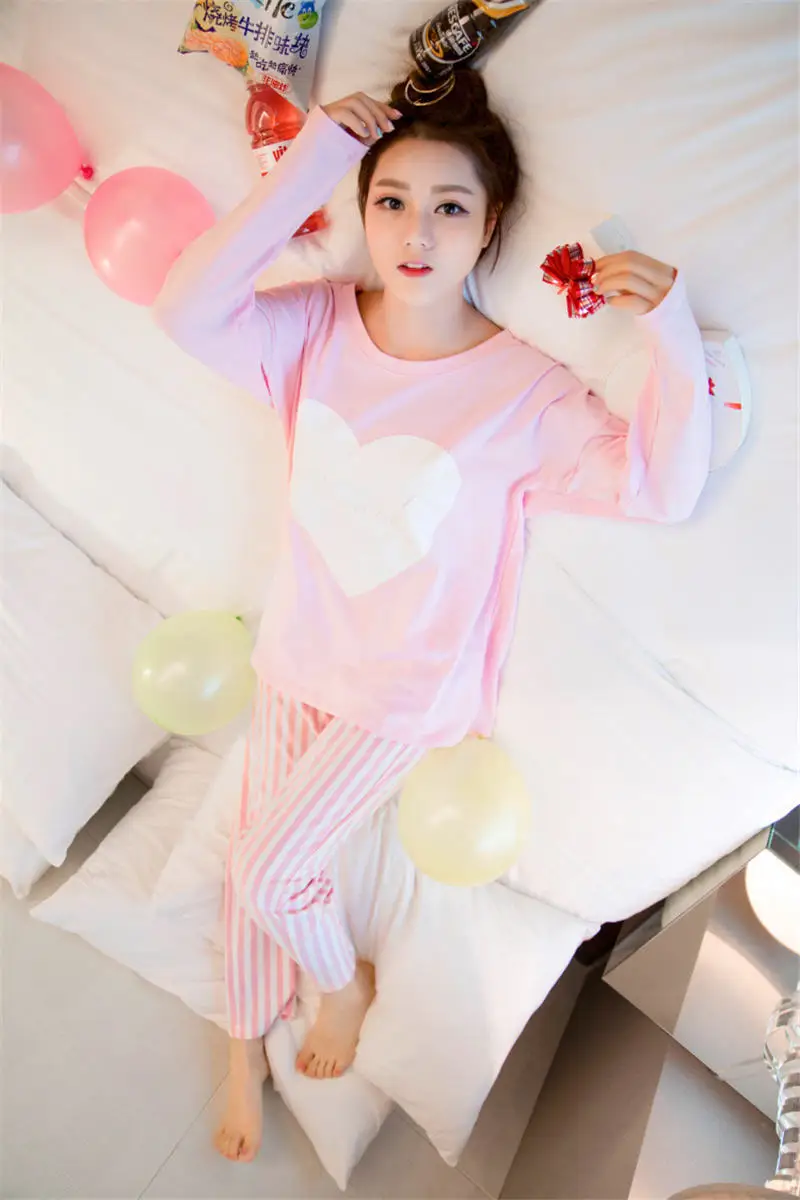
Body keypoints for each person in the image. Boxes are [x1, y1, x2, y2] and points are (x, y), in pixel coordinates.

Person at [154, 71, 711, 1163]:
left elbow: (659, 489)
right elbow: (185, 309)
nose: (416, 233)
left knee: (271, 868)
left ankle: (341, 983)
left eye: (450, 206)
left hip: (402, 694)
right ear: (361, 211)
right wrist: (315, 157)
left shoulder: (524, 390)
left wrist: (672, 331)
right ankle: (239, 1047)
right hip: (295, 652)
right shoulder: (311, 326)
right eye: (391, 201)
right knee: (251, 866)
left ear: (490, 225)